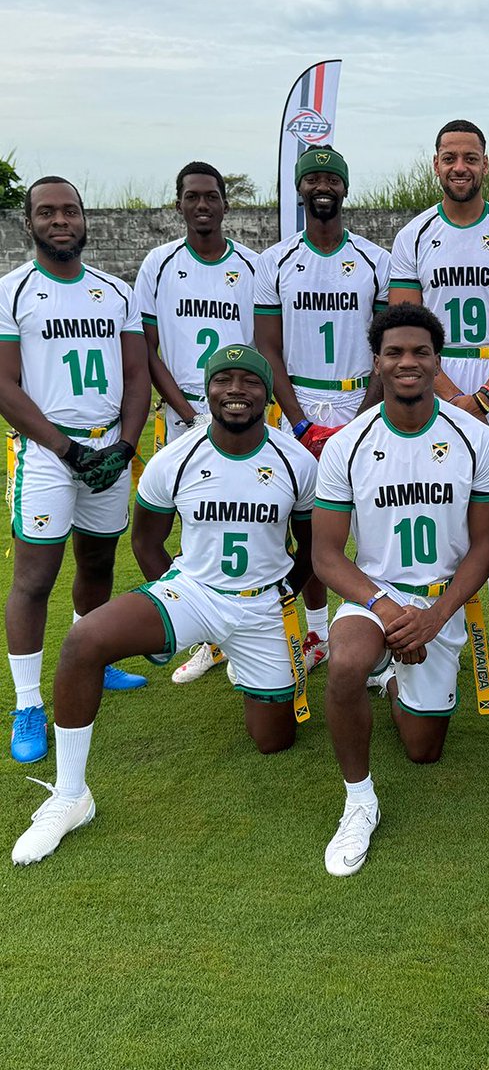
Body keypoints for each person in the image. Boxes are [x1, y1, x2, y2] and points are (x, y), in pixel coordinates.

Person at [11, 345, 319, 865]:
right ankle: (70, 796)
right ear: (208, 390)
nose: (236, 391)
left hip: (262, 606)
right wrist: (175, 601)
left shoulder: (296, 460)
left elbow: (310, 546)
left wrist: (286, 592)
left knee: (274, 740)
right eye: (224, 380)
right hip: (194, 591)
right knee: (85, 640)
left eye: (249, 381)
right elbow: (147, 543)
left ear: (267, 395)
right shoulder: (176, 457)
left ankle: (242, 662)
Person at [313, 303, 489, 877]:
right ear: (376, 362)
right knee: (345, 664)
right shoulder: (347, 443)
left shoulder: (476, 438)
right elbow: (325, 555)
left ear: (438, 360)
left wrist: (436, 617)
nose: (408, 362)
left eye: (421, 352)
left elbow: (484, 548)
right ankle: (359, 800)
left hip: (442, 602)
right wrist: (387, 607)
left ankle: (396, 677)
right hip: (377, 595)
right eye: (394, 352)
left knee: (424, 749)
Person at [0, 177, 151, 766]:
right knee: (35, 577)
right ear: (29, 222)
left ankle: (92, 655)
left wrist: (127, 444)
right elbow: (5, 386)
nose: (59, 220)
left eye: (69, 210)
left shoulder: (115, 291)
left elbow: (137, 375)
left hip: (106, 448)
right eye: (46, 212)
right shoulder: (13, 290)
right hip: (47, 453)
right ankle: (29, 702)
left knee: (98, 558)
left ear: (84, 219)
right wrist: (66, 449)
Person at [388, 120, 489, 687]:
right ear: (435, 164)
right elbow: (404, 326)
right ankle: (410, 623)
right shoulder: (415, 236)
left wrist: (487, 394)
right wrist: (450, 393)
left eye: (470, 157)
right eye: (450, 157)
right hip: (433, 377)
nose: (460, 167)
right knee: (425, 501)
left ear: (486, 164)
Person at [257, 146, 390, 675]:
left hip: (363, 398)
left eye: (331, 179)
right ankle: (314, 633)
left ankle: (373, 631)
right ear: (299, 189)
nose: (322, 187)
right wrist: (300, 421)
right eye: (311, 179)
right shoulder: (276, 261)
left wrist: (359, 417)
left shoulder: (375, 260)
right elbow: (268, 348)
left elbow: (385, 348)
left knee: (374, 523)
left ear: (345, 189)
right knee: (309, 525)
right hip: (301, 402)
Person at [134, 161, 260, 685]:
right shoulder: (158, 265)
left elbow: (266, 347)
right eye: (192, 197)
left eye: (211, 196)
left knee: (251, 515)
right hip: (183, 409)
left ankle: (263, 625)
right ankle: (205, 634)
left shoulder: (254, 267)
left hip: (243, 411)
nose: (202, 205)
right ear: (179, 203)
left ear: (226, 203)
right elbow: (148, 348)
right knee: (192, 521)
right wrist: (185, 411)